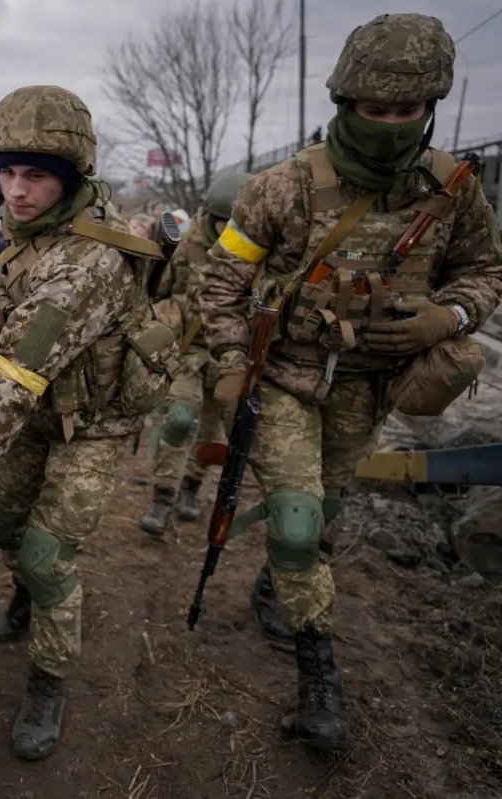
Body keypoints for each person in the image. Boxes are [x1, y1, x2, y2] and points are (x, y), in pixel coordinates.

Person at [199, 13, 502, 750]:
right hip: (288, 383)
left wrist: (452, 317)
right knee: (300, 526)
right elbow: (220, 283)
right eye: (376, 110)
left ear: (430, 108)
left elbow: (485, 271)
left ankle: (279, 585)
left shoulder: (453, 189)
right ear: (345, 103)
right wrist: (234, 364)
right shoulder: (283, 187)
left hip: (370, 391)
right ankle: (318, 678)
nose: (393, 125)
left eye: (408, 112)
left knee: (322, 514)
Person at [0, 86, 157, 760]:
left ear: (70, 180)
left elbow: (11, 381)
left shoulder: (89, 264)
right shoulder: (32, 237)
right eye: (7, 174)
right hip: (45, 414)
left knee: (46, 555)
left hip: (91, 425)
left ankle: (48, 681)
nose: (16, 191)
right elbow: (9, 304)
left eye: (36, 176)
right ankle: (31, 596)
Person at [138, 173, 252, 541]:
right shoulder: (187, 244)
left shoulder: (255, 249)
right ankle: (162, 497)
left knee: (213, 431)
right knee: (179, 419)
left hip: (228, 356)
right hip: (187, 352)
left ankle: (190, 486)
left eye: (233, 225)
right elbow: (159, 292)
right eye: (220, 222)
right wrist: (168, 314)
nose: (225, 232)